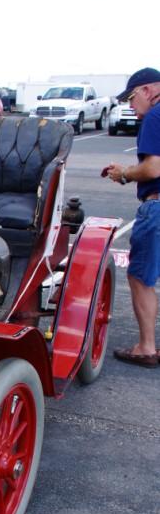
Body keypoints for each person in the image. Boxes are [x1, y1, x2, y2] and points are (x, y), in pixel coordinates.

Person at [102, 67, 160, 368]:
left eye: (132, 96)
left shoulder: (155, 116)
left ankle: (146, 347)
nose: (130, 104)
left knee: (140, 278)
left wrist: (124, 173)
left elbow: (153, 169)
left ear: (149, 90)